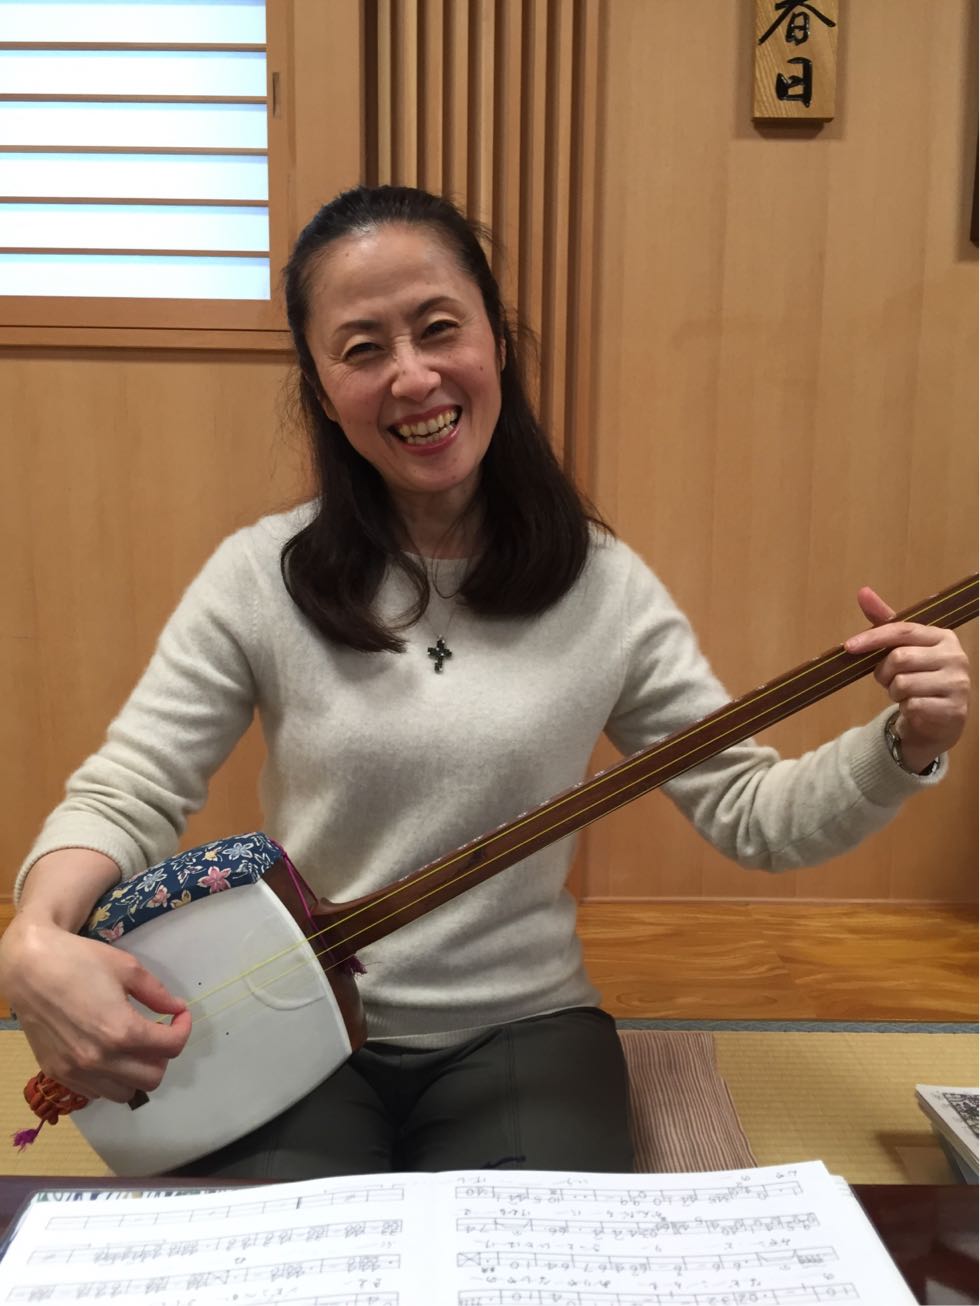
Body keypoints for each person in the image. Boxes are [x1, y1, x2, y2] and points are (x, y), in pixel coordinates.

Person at [0, 186, 970, 1180]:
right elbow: (131, 790)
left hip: (525, 1027)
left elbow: (751, 812)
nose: (413, 376)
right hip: (293, 1016)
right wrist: (34, 936)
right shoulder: (260, 576)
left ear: (496, 342)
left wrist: (906, 744)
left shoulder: (603, 586)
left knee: (529, 1250)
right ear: (321, 388)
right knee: (298, 1246)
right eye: (363, 348)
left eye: (437, 328)